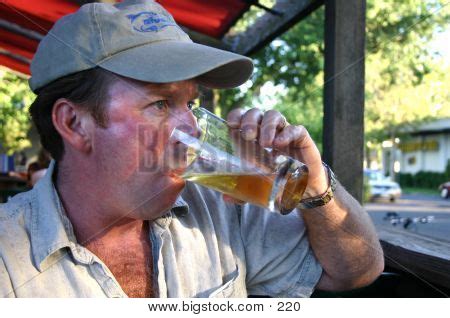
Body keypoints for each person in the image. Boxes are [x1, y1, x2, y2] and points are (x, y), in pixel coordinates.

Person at [0, 0, 383, 298]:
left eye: (189, 104)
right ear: (74, 123)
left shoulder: (221, 209)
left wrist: (316, 190)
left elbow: (357, 270)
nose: (191, 126)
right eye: (161, 104)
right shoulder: (9, 256)